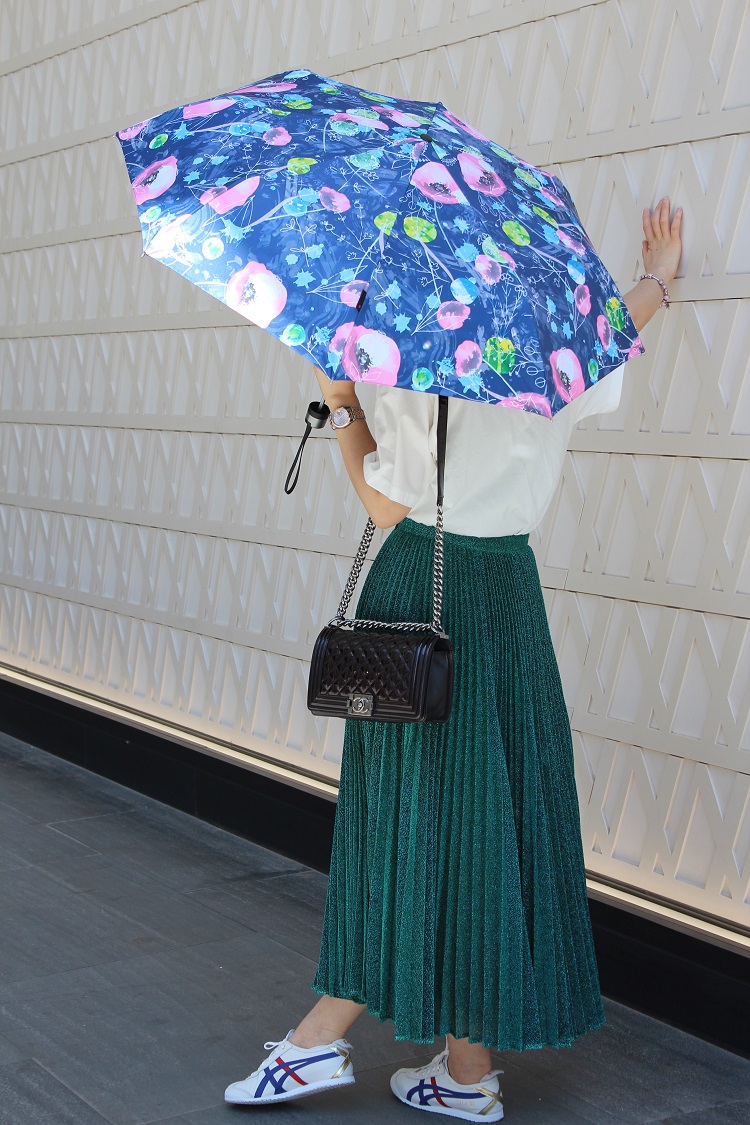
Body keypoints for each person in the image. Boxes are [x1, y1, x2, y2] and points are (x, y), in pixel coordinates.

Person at [225, 197, 683, 1118]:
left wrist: (343, 402)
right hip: (508, 594)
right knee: (487, 808)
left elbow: (383, 504)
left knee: (403, 814)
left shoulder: (411, 360)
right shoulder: (554, 344)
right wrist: (659, 280)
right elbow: (613, 332)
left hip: (423, 597)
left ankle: (320, 1035)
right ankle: (466, 1075)